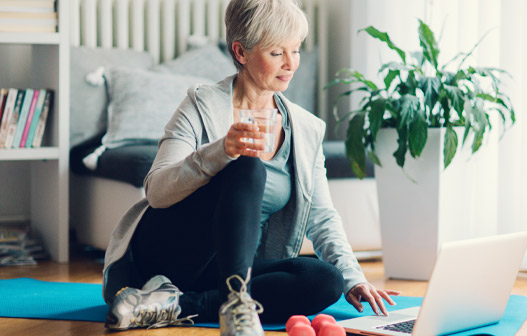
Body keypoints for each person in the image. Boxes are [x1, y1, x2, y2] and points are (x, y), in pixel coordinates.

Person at [102, 0, 400, 334]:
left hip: (230, 268)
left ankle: (179, 305)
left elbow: (322, 216)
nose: (290, 64)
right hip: (168, 253)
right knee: (248, 166)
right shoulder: (201, 104)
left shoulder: (306, 129)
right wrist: (220, 152)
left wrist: (354, 278)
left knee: (325, 279)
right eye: (277, 53)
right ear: (241, 52)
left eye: (296, 50)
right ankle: (231, 303)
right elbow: (156, 191)